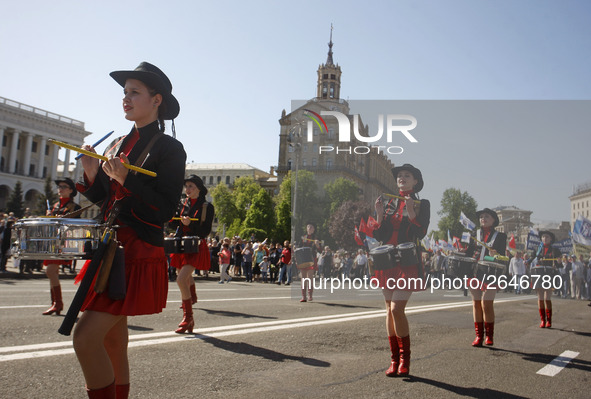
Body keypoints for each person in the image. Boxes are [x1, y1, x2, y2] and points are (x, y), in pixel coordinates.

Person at [73, 62, 186, 398]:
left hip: (136, 249)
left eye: (134, 92)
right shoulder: (119, 143)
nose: (126, 98)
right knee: (112, 341)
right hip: (111, 245)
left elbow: (164, 210)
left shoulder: (169, 148)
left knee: (85, 338)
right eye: (125, 93)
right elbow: (108, 200)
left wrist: (126, 178)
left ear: (156, 100)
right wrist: (94, 175)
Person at [371, 164, 430, 377]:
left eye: (407, 176)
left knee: (396, 309)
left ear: (416, 182)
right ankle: (394, 360)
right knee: (388, 310)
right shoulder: (389, 203)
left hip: (407, 260)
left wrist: (412, 211)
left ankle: (405, 359)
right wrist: (378, 215)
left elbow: (421, 233)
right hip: (387, 260)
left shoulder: (422, 203)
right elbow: (380, 235)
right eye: (399, 176)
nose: (402, 178)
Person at [169, 175, 214, 333]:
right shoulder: (182, 203)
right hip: (181, 244)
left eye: (190, 186)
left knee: (181, 279)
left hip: (195, 245)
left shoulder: (206, 206)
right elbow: (173, 223)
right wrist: (174, 219)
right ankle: (192, 300)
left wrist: (190, 225)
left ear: (199, 188)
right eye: (186, 186)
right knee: (182, 275)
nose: (187, 190)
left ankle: (188, 317)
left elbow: (206, 231)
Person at [463, 208, 507, 346]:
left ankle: (489, 335)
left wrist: (495, 254)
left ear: (494, 220)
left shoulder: (500, 237)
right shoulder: (473, 234)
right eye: (481, 216)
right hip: (475, 272)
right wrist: (461, 251)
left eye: (486, 216)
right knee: (476, 304)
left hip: (491, 273)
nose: (483, 218)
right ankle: (478, 336)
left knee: (486, 304)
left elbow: (503, 257)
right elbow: (469, 253)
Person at [42, 178, 82, 316]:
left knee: (50, 271)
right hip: (53, 242)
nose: (60, 189)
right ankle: (56, 303)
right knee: (52, 272)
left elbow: (74, 226)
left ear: (71, 190)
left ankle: (57, 303)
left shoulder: (75, 207)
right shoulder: (54, 206)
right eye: (59, 186)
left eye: (64, 186)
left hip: (65, 243)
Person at [528, 231, 562, 327]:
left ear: (551, 239)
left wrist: (559, 261)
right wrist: (526, 261)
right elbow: (531, 258)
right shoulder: (537, 249)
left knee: (547, 298)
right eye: (543, 237)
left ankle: (549, 320)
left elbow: (560, 265)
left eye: (547, 237)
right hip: (539, 274)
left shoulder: (555, 250)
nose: (545, 238)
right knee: (540, 298)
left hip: (549, 275)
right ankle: (542, 320)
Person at [299, 223, 322, 302]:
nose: (309, 228)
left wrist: (317, 245)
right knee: (303, 278)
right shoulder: (303, 237)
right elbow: (299, 247)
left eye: (311, 227)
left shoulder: (316, 238)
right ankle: (303, 296)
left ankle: (310, 295)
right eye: (308, 226)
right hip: (303, 259)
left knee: (309, 277)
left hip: (311, 258)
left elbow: (320, 250)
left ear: (313, 229)